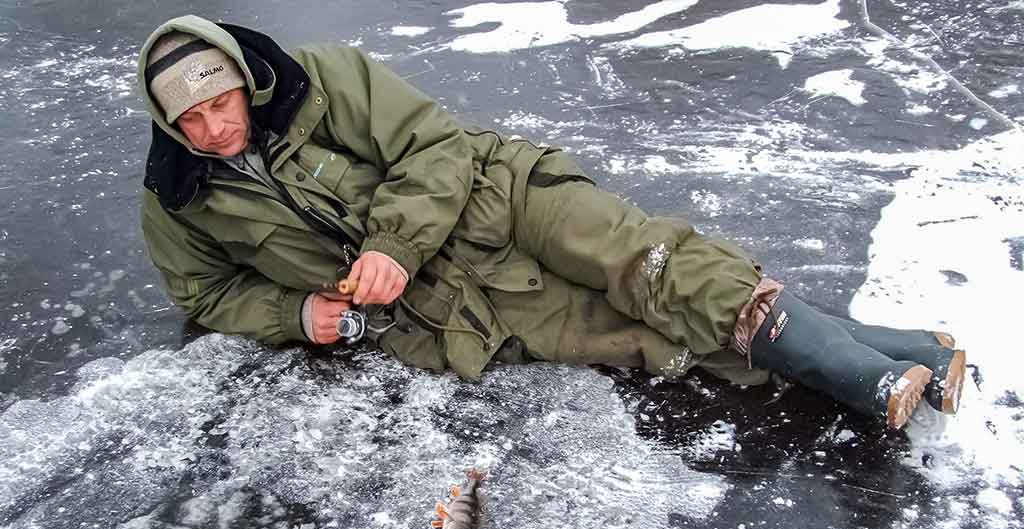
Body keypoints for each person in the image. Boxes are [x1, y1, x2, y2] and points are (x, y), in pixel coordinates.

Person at [136, 15, 966, 430]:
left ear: (242, 79)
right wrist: (293, 313)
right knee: (635, 333)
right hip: (444, 301)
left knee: (651, 267)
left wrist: (389, 242)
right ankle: (908, 354)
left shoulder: (324, 81)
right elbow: (205, 291)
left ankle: (866, 377)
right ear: (171, 124)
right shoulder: (178, 197)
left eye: (221, 102)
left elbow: (434, 146)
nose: (215, 127)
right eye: (194, 120)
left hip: (498, 193)